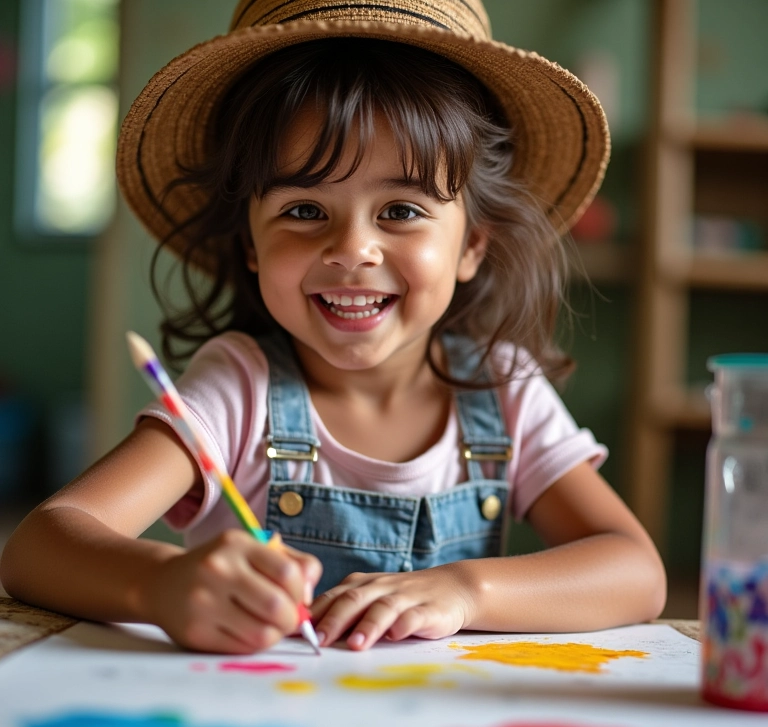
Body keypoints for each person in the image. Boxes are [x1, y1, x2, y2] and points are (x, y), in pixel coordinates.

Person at [0, 0, 666, 654]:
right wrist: (161, 584)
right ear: (251, 244)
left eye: (401, 210)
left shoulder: (501, 388)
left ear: (472, 245)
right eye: (305, 210)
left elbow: (636, 570)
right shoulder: (240, 388)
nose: (352, 250)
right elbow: (40, 544)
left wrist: (468, 591)